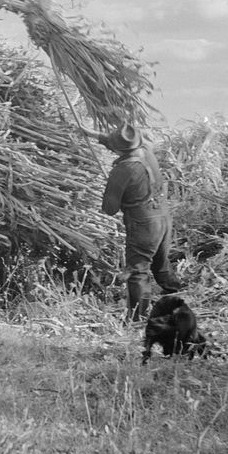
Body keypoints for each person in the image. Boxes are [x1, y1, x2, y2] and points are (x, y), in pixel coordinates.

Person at [84, 122, 182, 321]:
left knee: (138, 271)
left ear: (119, 149)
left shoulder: (122, 170)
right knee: (160, 262)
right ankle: (176, 292)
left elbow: (109, 209)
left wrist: (113, 187)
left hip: (143, 224)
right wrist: (93, 134)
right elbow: (120, 144)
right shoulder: (146, 150)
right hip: (163, 217)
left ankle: (137, 319)